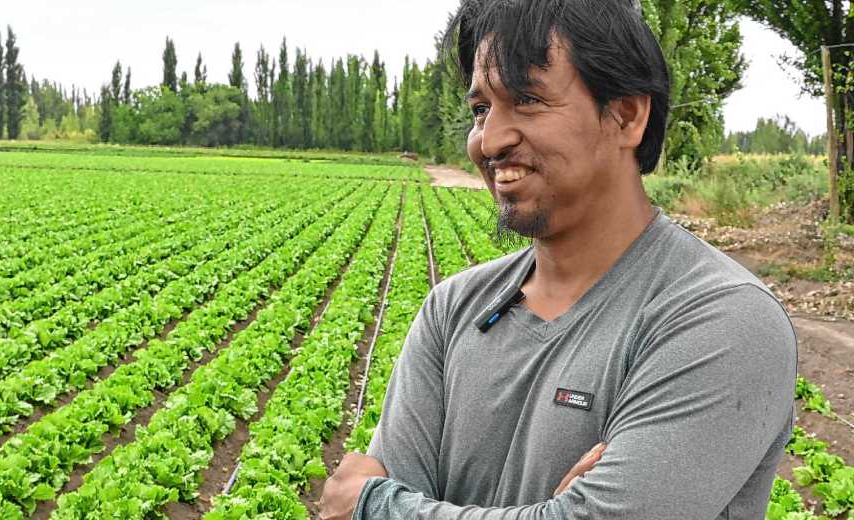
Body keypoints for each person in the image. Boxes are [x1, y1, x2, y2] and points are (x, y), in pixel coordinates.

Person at [319, 0, 797, 518]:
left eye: (527, 98)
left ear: (627, 115)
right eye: (481, 110)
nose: (491, 140)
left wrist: (377, 507)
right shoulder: (451, 310)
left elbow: (371, 507)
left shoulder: (721, 320)